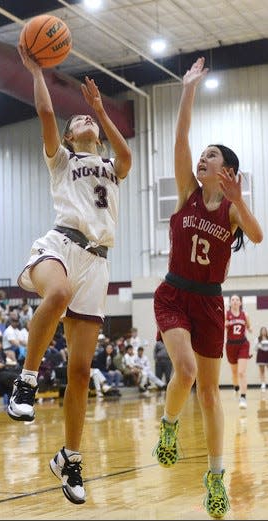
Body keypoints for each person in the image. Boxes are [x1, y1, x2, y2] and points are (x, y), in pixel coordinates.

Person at [7, 43, 131, 505]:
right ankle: (26, 379)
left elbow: (128, 159)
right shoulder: (61, 160)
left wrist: (101, 109)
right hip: (60, 245)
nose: (85, 121)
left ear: (97, 135)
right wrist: (35, 70)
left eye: (90, 123)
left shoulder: (110, 167)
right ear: (68, 132)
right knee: (55, 293)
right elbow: (44, 111)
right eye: (78, 118)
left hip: (97, 263)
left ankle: (70, 459)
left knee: (80, 372)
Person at [152, 57, 263, 519]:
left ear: (228, 170)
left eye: (211, 155)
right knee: (185, 371)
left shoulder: (232, 209)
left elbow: (257, 236)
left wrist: (242, 202)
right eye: (203, 155)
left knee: (211, 395)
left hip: (211, 302)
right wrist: (188, 89)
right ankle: (169, 426)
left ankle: (215, 479)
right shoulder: (185, 192)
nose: (202, 158)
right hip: (174, 293)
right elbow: (180, 139)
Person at [225, 294, 252, 409]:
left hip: (243, 344)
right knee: (235, 373)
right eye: (233, 300)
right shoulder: (226, 315)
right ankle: (236, 387)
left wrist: (250, 329)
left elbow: (249, 327)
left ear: (240, 303)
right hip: (231, 345)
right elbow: (221, 328)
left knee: (241, 372)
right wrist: (225, 325)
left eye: (237, 300)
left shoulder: (245, 315)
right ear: (230, 303)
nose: (235, 301)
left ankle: (243, 397)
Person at [254, 326, 268, 392]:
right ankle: (263, 384)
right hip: (261, 355)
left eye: (265, 330)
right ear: (260, 331)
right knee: (262, 371)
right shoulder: (258, 339)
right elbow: (255, 348)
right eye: (262, 330)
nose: (263, 332)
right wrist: (259, 346)